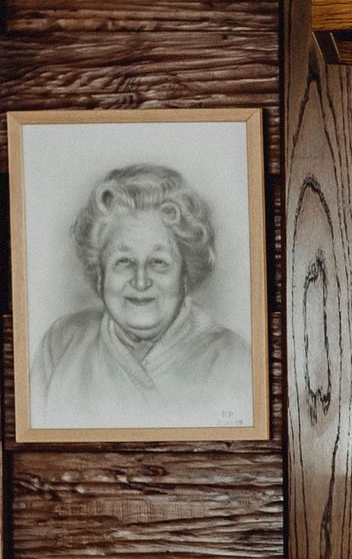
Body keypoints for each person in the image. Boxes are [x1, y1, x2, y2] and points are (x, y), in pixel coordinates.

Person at [31, 162, 252, 429]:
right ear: (100, 274)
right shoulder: (61, 343)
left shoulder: (233, 359)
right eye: (123, 261)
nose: (140, 280)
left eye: (158, 262)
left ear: (185, 273)